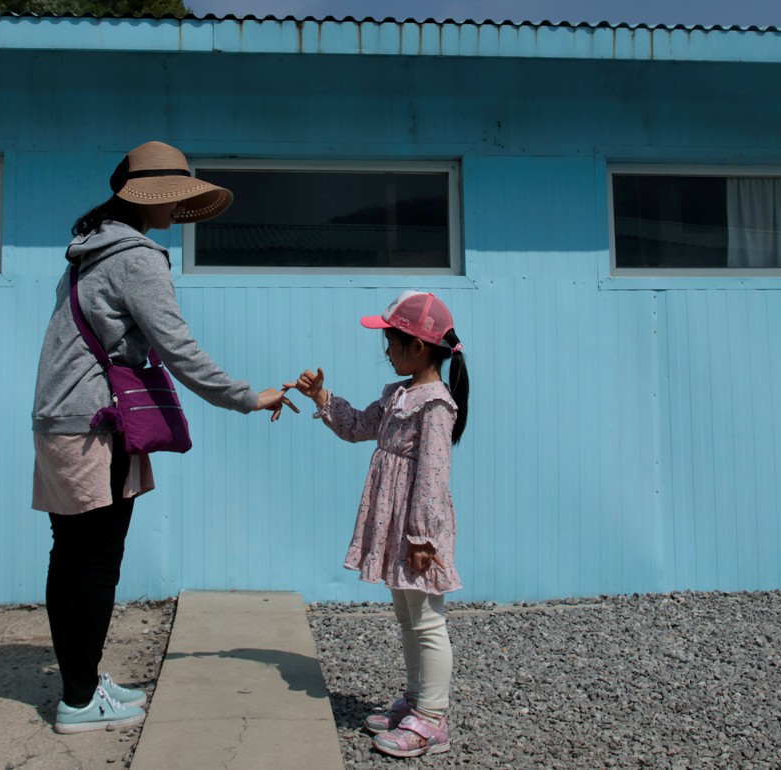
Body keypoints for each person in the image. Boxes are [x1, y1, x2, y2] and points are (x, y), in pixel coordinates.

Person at [30, 140, 296, 734]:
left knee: (72, 557)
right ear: (148, 197)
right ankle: (76, 700)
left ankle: (81, 680)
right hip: (96, 425)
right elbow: (177, 347)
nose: (178, 207)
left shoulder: (89, 251)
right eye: (172, 195)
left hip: (62, 422)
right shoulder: (137, 257)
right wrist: (248, 396)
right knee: (95, 562)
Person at [287, 291, 469, 759]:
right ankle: (415, 700)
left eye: (390, 341)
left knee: (427, 619)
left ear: (419, 347)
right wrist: (321, 397)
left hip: (416, 531)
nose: (385, 350)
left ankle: (432, 718)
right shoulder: (398, 395)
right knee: (408, 616)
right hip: (397, 528)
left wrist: (423, 536)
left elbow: (432, 474)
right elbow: (356, 426)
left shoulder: (435, 404)